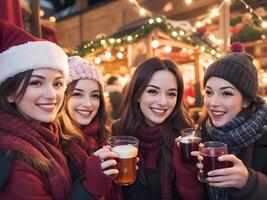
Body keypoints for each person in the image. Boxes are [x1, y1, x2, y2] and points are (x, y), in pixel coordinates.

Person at [0, 19, 111, 200]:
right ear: (9, 93)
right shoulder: (11, 158)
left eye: (58, 83)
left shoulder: (51, 135)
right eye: (36, 82)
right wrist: (91, 187)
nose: (52, 94)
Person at [107, 57, 204, 200]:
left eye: (171, 94)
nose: (163, 102)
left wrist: (188, 172)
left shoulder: (185, 138)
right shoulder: (117, 133)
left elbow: (196, 196)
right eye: (153, 91)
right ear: (137, 94)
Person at [195, 44, 267, 200]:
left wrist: (249, 182)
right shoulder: (202, 132)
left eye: (226, 93)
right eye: (209, 92)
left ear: (247, 101)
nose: (213, 102)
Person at [60, 55, 118, 190]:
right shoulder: (56, 140)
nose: (88, 104)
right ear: (63, 97)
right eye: (77, 94)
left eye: (94, 95)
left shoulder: (105, 135)